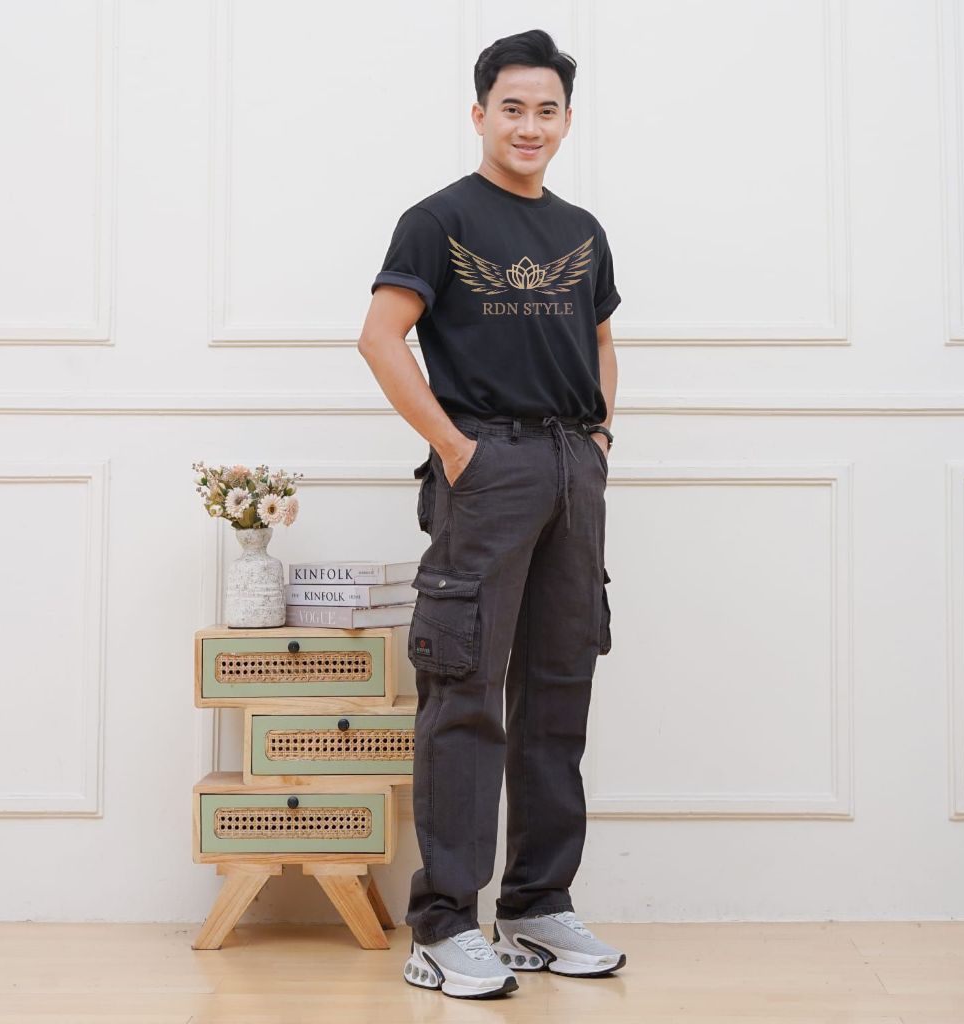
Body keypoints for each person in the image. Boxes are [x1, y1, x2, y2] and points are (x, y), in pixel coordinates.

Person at [357, 28, 623, 1000]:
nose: (529, 125)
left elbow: (602, 340)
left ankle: (537, 907)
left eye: (546, 109)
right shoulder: (438, 220)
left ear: (566, 120)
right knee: (464, 690)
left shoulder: (582, 229)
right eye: (512, 107)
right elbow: (381, 338)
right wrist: (458, 449)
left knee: (558, 690)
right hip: (487, 468)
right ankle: (442, 925)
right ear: (480, 115)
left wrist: (598, 441)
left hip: (571, 470)